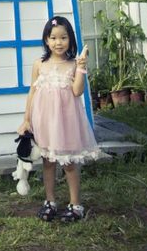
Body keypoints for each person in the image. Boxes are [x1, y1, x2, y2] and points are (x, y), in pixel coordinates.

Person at [17, 15, 106, 222]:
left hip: (66, 122)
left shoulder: (73, 64)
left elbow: (77, 91)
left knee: (68, 164)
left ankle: (76, 205)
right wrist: (26, 119)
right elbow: (32, 91)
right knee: (48, 162)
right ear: (46, 40)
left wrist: (82, 68)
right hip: (44, 121)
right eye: (54, 38)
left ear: (70, 39)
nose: (59, 42)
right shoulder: (39, 64)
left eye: (63, 38)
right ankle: (50, 201)